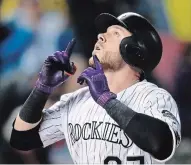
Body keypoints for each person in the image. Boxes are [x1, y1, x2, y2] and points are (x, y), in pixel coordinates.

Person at [10, 12, 181, 164]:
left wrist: (106, 100)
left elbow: (161, 146)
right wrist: (42, 88)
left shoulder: (153, 97)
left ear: (134, 50)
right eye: (103, 32)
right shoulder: (76, 100)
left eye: (115, 33)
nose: (100, 36)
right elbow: (21, 139)